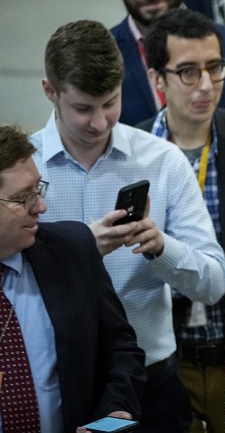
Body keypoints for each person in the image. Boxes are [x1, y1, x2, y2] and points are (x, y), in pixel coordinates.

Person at [31, 20, 225, 433]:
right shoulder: (22, 169)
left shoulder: (163, 161)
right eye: (83, 108)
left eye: (110, 102)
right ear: (50, 91)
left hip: (152, 383)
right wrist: (81, 246)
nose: (100, 122)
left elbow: (212, 283)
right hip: (55, 384)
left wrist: (161, 247)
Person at [136, 9, 225, 433]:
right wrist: (199, 278)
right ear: (157, 78)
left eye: (214, 68)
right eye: (188, 72)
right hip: (165, 363)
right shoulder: (130, 152)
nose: (205, 85)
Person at [0, 125, 145, 433]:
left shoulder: (72, 250)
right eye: (22, 198)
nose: (40, 207)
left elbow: (121, 351)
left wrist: (112, 413)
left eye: (38, 189)